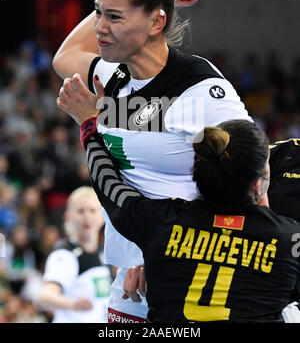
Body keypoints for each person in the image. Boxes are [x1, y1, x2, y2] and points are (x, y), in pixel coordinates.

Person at [54, 0, 253, 322]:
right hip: (130, 276)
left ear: (157, 21)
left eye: (114, 17)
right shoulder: (114, 79)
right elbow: (66, 56)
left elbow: (254, 176)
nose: (99, 28)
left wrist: (170, 254)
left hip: (188, 276)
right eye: (97, 12)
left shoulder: (200, 89)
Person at [79, 117, 300, 322]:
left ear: (195, 170)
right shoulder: (289, 237)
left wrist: (89, 127)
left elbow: (107, 183)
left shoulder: (160, 222)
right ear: (257, 186)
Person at [37, 187, 111, 323]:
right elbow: (44, 297)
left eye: (92, 210)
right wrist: (73, 304)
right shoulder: (65, 255)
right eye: (80, 211)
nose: (87, 217)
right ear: (68, 216)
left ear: (102, 216)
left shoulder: (103, 253)